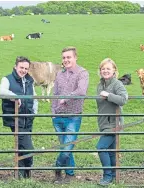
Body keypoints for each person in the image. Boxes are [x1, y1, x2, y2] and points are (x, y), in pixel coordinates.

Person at [51, 46, 89, 184]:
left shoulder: (82, 73)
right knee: (66, 146)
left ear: (75, 57)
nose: (66, 60)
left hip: (73, 116)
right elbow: (54, 94)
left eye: (68, 57)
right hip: (58, 117)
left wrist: (66, 98)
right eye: (64, 58)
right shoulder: (59, 74)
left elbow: (81, 91)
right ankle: (69, 174)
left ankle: (57, 167)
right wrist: (53, 112)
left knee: (67, 147)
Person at [0, 56, 38, 179]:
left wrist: (34, 112)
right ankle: (28, 168)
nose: (23, 70)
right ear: (15, 66)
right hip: (15, 119)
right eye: (21, 67)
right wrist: (15, 96)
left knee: (21, 147)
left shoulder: (29, 80)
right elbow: (2, 91)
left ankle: (21, 175)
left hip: (28, 119)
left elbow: (34, 96)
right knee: (28, 147)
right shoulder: (7, 79)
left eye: (26, 68)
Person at [96, 58, 128, 186]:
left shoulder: (117, 84)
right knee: (110, 151)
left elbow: (124, 99)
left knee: (101, 147)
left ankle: (107, 176)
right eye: (103, 68)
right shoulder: (100, 85)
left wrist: (109, 95)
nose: (105, 71)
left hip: (114, 124)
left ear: (114, 70)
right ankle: (114, 175)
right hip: (104, 123)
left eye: (108, 68)